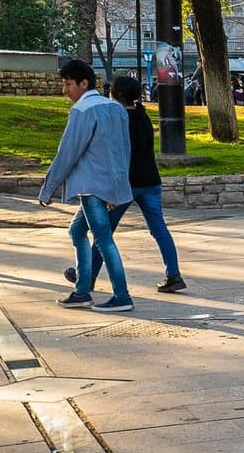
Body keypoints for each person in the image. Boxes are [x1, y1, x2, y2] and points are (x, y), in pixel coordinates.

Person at [64, 76, 187, 295]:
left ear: (117, 95)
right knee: (159, 229)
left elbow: (118, 156)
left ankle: (88, 276)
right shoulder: (143, 116)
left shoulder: (119, 119)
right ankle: (174, 274)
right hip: (151, 181)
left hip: (126, 184)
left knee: (104, 233)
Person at [39, 60, 136, 313]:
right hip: (108, 185)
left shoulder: (82, 111)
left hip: (91, 186)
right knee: (77, 231)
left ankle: (121, 295)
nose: (64, 90)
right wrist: (118, 189)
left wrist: (47, 190)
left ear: (83, 84)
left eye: (68, 84)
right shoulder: (116, 109)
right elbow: (124, 151)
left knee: (103, 240)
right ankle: (82, 291)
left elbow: (67, 153)